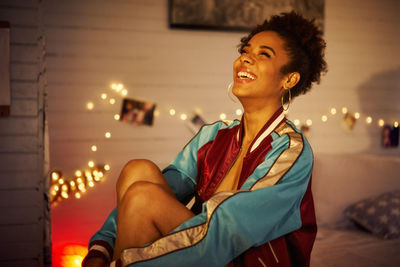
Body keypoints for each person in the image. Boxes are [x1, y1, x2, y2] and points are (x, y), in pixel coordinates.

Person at [82, 11, 327, 267]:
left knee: (143, 199)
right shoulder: (214, 135)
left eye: (264, 54)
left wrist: (124, 262)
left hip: (247, 259)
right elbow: (165, 188)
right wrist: (101, 249)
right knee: (138, 170)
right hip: (201, 246)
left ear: (289, 78)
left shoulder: (290, 150)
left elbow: (227, 228)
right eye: (245, 50)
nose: (245, 58)